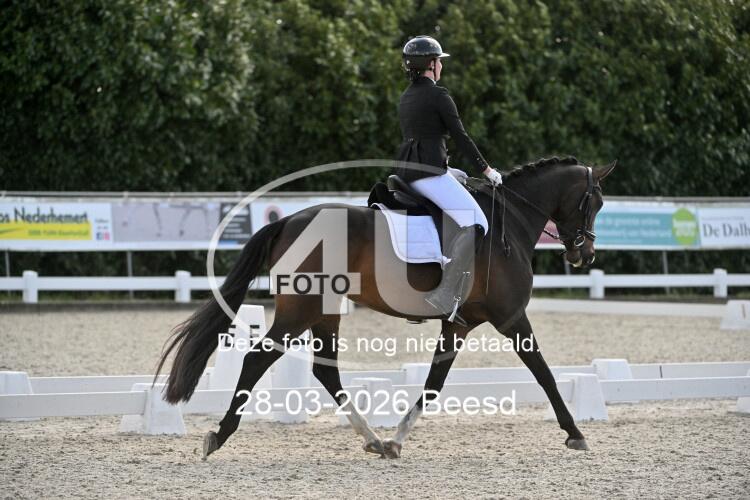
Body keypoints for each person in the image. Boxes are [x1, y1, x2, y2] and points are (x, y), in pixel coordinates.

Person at [394, 35, 503, 324]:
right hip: (429, 174)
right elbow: (461, 137)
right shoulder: (438, 95)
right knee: (477, 224)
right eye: (439, 61)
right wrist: (487, 170)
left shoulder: (406, 97)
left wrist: (449, 169)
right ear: (431, 64)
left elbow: (424, 139)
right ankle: (443, 296)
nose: (441, 65)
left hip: (408, 172)